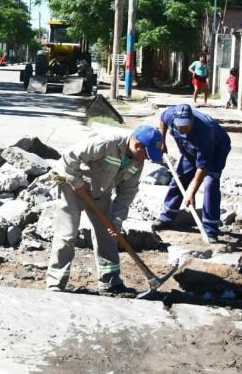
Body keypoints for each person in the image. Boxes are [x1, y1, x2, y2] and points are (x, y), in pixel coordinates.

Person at [46, 125, 164, 297]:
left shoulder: (137, 162)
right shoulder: (107, 142)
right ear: (137, 145)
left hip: (100, 191)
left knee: (108, 233)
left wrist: (117, 220)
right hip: (71, 184)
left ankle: (110, 282)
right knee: (67, 234)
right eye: (147, 154)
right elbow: (69, 156)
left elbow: (127, 192)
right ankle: (55, 284)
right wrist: (77, 184)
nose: (147, 159)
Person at [152, 104, 231, 244]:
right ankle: (167, 217)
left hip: (216, 150)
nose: (183, 129)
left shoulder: (205, 131)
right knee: (179, 178)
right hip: (190, 149)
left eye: (186, 126)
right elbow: (162, 119)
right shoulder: (170, 115)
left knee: (210, 184)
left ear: (192, 119)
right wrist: (162, 142)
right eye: (180, 126)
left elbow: (202, 168)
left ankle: (210, 229)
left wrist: (191, 193)